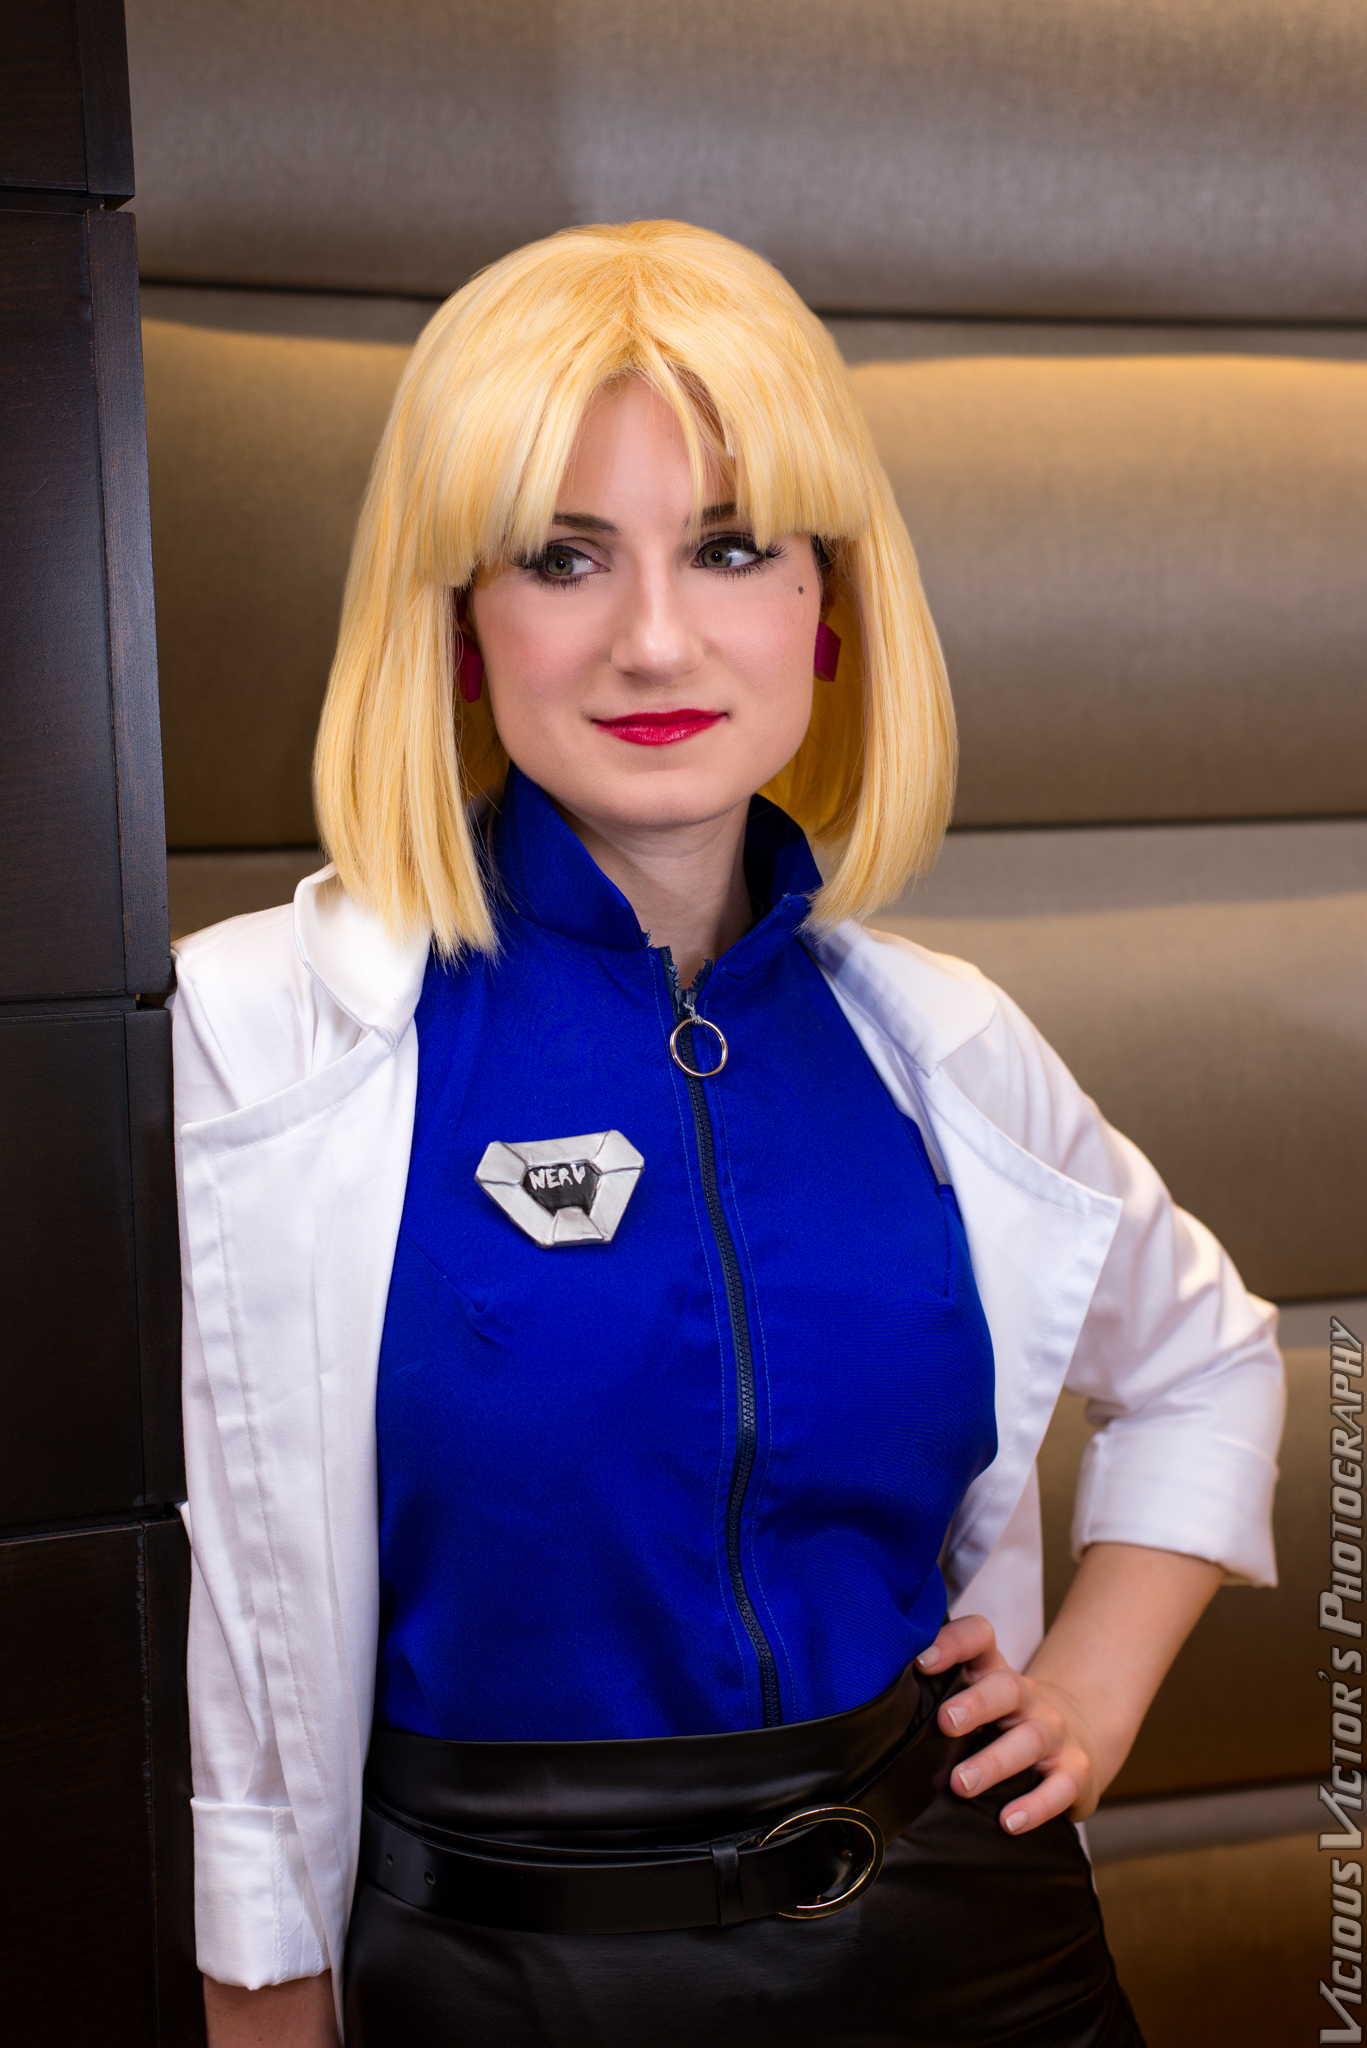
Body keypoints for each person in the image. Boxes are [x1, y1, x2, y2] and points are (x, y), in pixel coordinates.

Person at [173, 220, 1284, 2048]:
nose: (656, 637)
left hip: (974, 1957)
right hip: (503, 1979)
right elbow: (219, 1649)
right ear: (457, 626)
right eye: (563, 557)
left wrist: (1090, 1689)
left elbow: (1209, 1363)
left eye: (732, 546)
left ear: (827, 608)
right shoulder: (253, 1045)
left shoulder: (939, 1041)